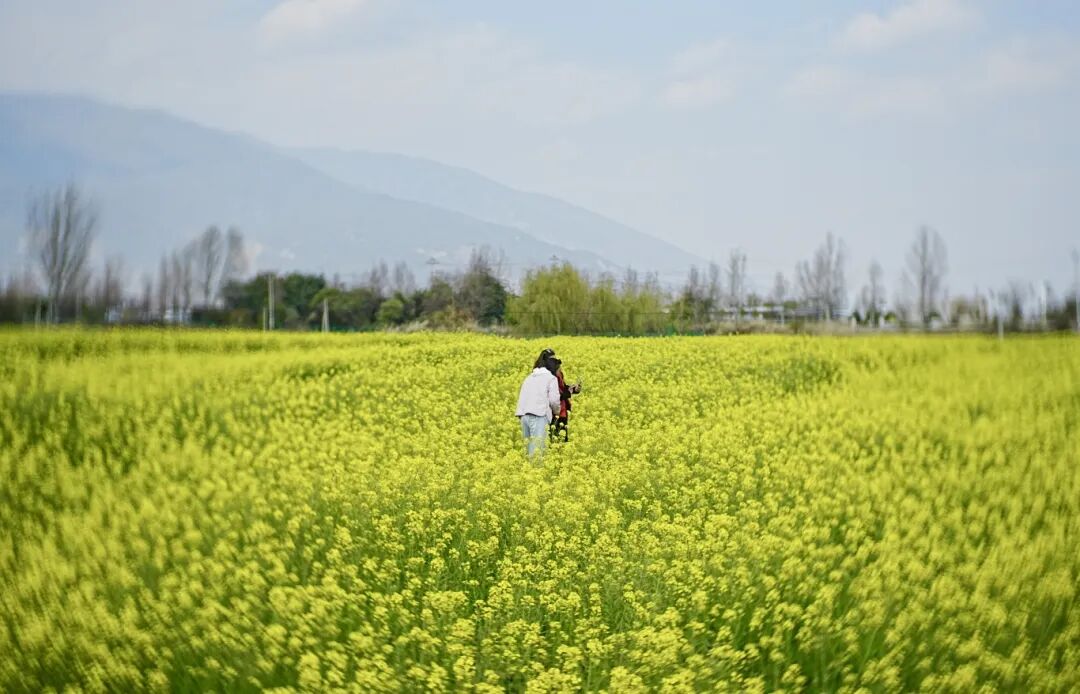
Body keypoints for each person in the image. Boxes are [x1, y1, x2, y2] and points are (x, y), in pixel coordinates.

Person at [516, 350, 561, 458]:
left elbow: (523, 396)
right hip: (539, 416)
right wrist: (557, 411)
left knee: (528, 450)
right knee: (537, 453)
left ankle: (527, 468)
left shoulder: (529, 377)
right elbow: (554, 401)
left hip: (524, 416)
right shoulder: (551, 378)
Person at [546, 357, 581, 443]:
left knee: (562, 439)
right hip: (555, 413)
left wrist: (574, 389)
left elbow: (563, 388)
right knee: (555, 438)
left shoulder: (559, 376)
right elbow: (556, 397)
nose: (560, 369)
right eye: (559, 368)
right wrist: (568, 392)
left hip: (562, 411)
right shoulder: (550, 380)